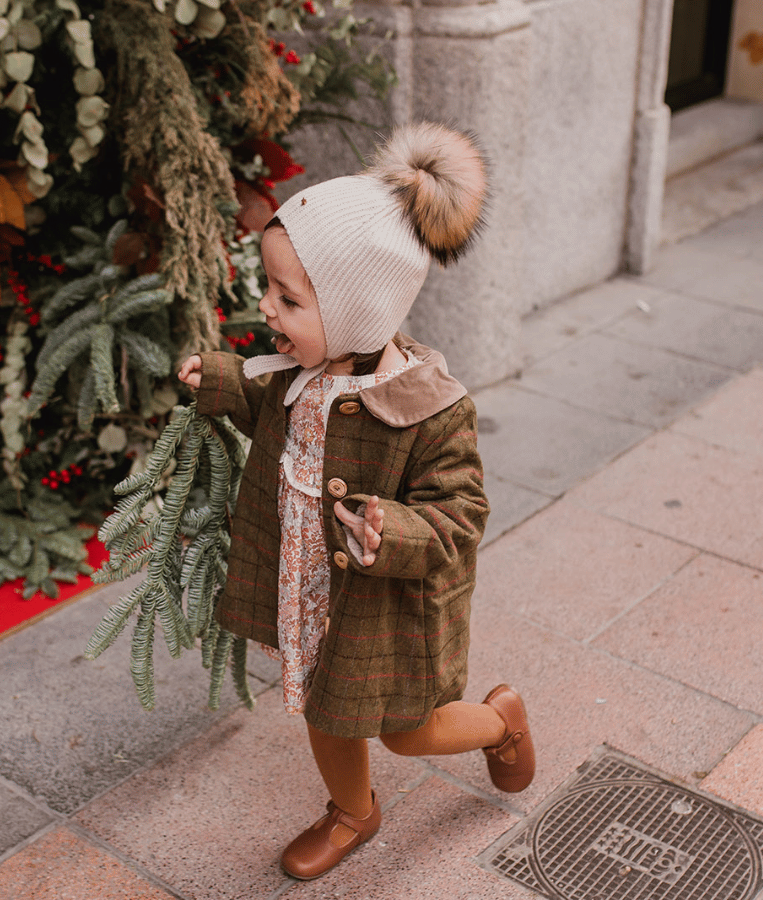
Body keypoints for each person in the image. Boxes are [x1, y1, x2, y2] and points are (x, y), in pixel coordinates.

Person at [176, 122, 535, 880]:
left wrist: (391, 530)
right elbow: (262, 400)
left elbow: (460, 512)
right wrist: (218, 380)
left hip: (386, 607)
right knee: (321, 701)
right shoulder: (302, 369)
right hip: (309, 583)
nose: (267, 310)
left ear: (358, 310)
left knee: (408, 732)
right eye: (269, 289)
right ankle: (353, 812)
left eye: (289, 299)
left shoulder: (428, 408)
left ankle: (500, 720)